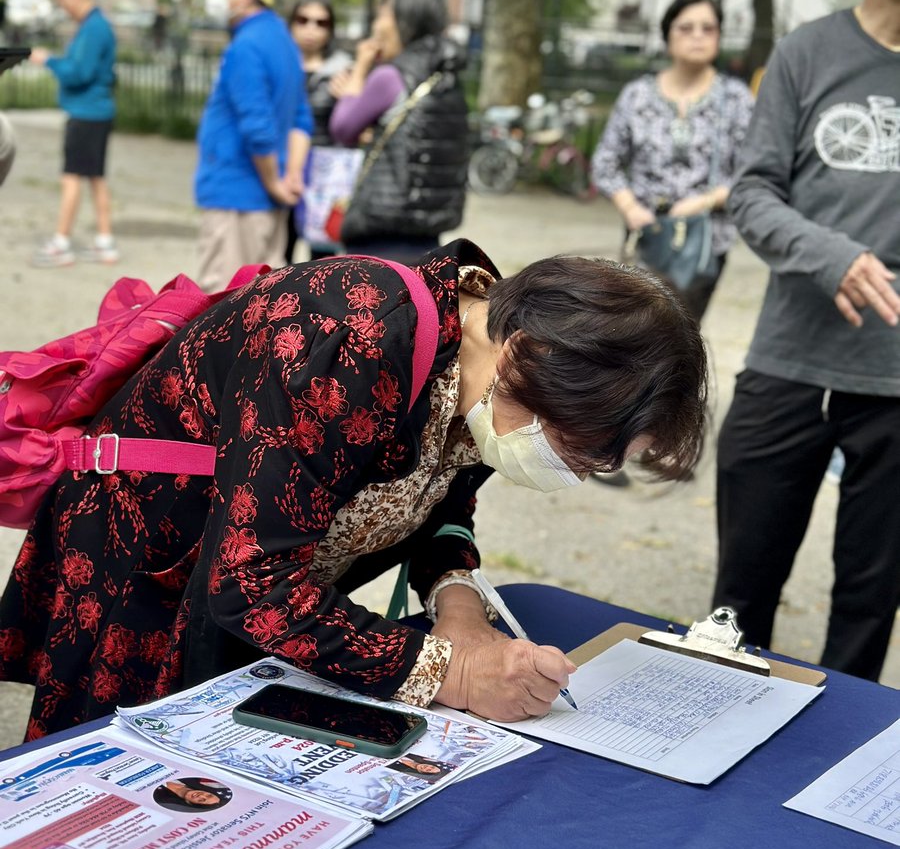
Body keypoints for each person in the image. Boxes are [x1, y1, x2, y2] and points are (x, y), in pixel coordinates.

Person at [0, 240, 707, 740]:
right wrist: (450, 673)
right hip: (152, 558)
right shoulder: (350, 337)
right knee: (133, 790)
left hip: (258, 576)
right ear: (532, 356)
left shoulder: (488, 370)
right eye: (586, 450)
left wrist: (457, 607)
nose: (578, 473)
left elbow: (445, 503)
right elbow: (251, 584)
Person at [712, 0, 900, 682]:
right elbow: (751, 193)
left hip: (896, 381)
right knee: (739, 595)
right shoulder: (805, 54)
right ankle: (711, 721)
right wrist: (833, 255)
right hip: (791, 362)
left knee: (870, 598)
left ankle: (834, 778)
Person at [591, 0, 754, 323]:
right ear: (667, 37)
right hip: (645, 235)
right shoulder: (637, 95)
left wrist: (705, 201)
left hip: (705, 239)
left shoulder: (735, 99)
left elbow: (754, 173)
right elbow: (605, 162)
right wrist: (631, 208)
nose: (698, 36)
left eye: (708, 28)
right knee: (634, 330)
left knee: (682, 333)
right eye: (686, 27)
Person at [329, 0, 469, 265]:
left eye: (382, 14)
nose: (376, 25)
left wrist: (359, 71)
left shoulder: (391, 76)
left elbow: (343, 128)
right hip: (428, 233)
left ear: (403, 21)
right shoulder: (446, 76)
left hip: (381, 231)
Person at [194, 0, 312, 293]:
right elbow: (300, 117)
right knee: (261, 300)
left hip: (238, 195)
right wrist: (290, 176)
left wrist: (275, 181)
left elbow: (257, 128)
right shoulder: (283, 41)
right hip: (265, 198)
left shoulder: (247, 45)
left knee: (223, 300)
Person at [29, 0, 118, 268]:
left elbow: (79, 73)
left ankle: (61, 242)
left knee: (71, 177)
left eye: (62, 4)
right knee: (95, 177)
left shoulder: (93, 28)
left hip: (86, 114)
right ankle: (105, 242)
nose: (64, 11)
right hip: (97, 112)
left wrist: (48, 61)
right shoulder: (97, 24)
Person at [286, 0, 352, 262]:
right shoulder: (278, 66)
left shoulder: (343, 71)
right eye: (303, 20)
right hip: (285, 167)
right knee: (279, 251)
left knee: (323, 258)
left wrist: (351, 97)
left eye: (321, 23)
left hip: (327, 173)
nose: (311, 29)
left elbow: (355, 127)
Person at [153, 778, 233, 811]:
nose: (201, 796)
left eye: (201, 800)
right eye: (209, 795)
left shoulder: (159, 798)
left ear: (190, 803)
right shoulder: (193, 779)